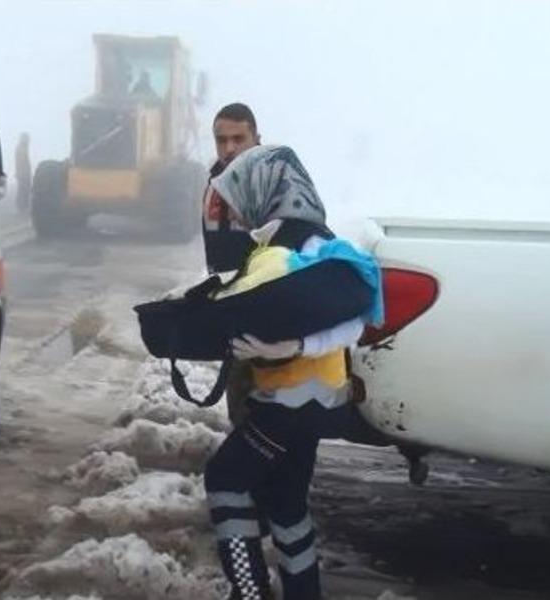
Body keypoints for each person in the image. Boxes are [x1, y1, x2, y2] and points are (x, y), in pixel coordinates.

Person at [203, 145, 379, 600]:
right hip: (306, 401)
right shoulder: (280, 239)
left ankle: (249, 590)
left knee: (226, 479)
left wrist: (295, 345)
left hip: (293, 401)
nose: (239, 215)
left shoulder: (310, 242)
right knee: (285, 504)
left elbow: (356, 317)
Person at [200, 103, 262, 428]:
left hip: (267, 313)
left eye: (239, 139)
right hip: (232, 307)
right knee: (239, 405)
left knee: (266, 413)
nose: (230, 148)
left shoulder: (270, 181)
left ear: (256, 137)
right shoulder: (216, 180)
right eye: (221, 140)